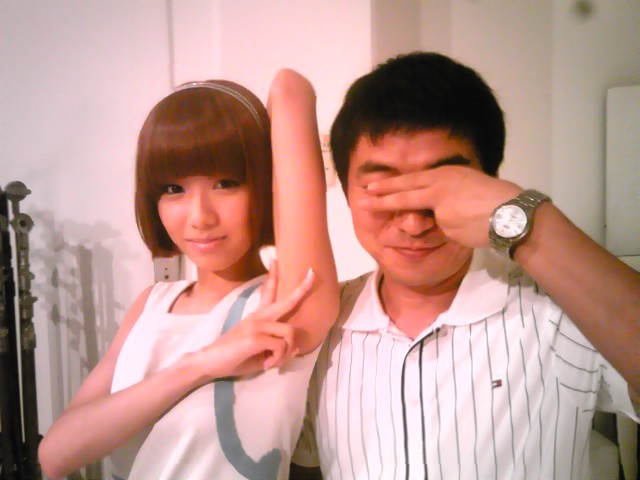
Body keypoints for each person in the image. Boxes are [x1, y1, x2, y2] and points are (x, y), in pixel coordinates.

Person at [291, 52, 639, 480]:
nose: (414, 223)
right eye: (384, 189)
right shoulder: (322, 325)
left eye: (443, 188)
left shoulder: (557, 309)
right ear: (346, 190)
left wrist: (528, 220)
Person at [38, 68, 339, 480]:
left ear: (265, 184)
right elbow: (56, 454)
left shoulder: (283, 306)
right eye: (173, 189)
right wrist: (199, 366)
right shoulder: (153, 303)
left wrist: (256, 132)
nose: (200, 217)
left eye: (226, 182)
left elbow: (292, 90)